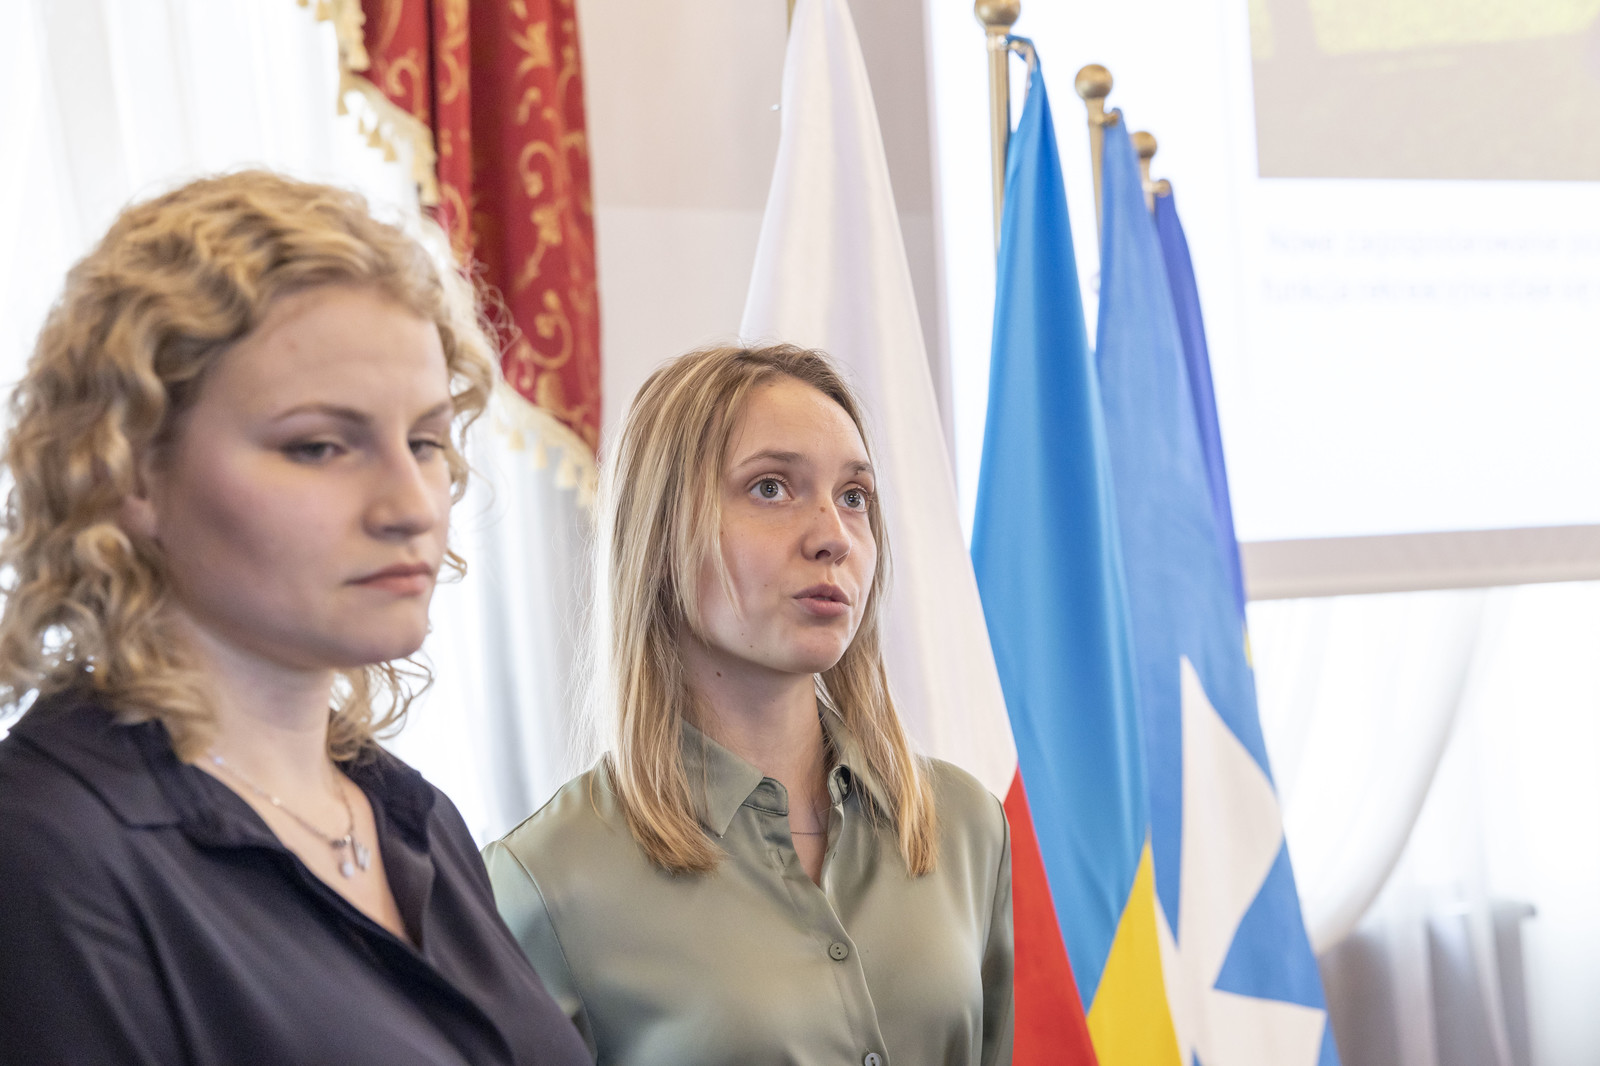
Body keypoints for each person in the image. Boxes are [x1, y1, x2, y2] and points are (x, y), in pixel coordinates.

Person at [0, 171, 590, 1066]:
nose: (411, 506)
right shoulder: (46, 850)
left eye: (425, 442)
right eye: (318, 446)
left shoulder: (409, 813)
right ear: (131, 473)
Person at [485, 344, 1014, 1066]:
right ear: (661, 534)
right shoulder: (542, 882)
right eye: (771, 488)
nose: (833, 537)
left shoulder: (967, 825)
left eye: (854, 496)